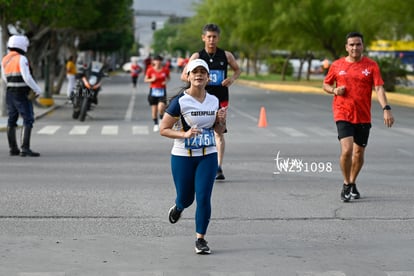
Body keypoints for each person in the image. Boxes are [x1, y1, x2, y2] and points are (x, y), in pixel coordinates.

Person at [160, 59, 227, 254]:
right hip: (183, 156)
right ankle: (179, 206)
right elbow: (163, 130)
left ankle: (201, 239)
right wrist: (184, 134)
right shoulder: (180, 101)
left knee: (204, 197)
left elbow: (219, 131)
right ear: (188, 76)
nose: (198, 75)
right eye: (194, 72)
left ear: (208, 77)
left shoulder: (214, 101)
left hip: (208, 155)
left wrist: (220, 122)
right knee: (186, 198)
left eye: (202, 72)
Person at [323, 32, 395, 202]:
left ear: (362, 46)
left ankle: (353, 182)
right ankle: (346, 183)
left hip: (363, 116)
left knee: (359, 153)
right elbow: (326, 84)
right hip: (343, 112)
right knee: (347, 150)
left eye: (358, 44)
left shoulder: (371, 66)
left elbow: (378, 88)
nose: (355, 47)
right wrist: (334, 90)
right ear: (346, 47)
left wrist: (386, 108)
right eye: (351, 45)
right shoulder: (337, 65)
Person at [181, 23, 241, 180]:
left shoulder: (226, 55)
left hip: (221, 99)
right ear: (203, 38)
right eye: (209, 37)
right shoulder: (197, 57)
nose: (212, 40)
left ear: (218, 38)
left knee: (219, 132)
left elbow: (237, 70)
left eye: (214, 37)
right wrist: (199, 81)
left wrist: (231, 79)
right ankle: (196, 163)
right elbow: (183, 76)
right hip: (200, 99)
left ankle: (218, 167)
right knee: (198, 130)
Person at [1, 35, 42, 157]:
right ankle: (25, 148)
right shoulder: (21, 58)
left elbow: (4, 78)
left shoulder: (4, 59)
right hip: (21, 93)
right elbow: (27, 77)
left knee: (11, 120)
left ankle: (13, 149)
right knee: (28, 119)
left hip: (10, 93)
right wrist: (37, 89)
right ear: (21, 45)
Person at [144, 55, 170, 132]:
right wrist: (152, 79)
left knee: (161, 106)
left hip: (162, 91)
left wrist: (166, 81)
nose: (158, 62)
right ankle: (155, 124)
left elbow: (168, 78)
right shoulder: (150, 70)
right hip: (153, 91)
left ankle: (161, 119)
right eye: (156, 60)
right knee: (154, 110)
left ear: (161, 61)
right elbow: (145, 79)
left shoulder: (165, 70)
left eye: (159, 60)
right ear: (154, 61)